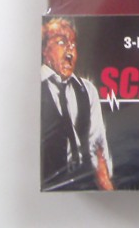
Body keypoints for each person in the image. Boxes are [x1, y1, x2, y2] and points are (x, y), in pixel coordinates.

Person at [41, 17, 114, 190]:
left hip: (86, 186)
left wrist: (107, 187)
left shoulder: (87, 90)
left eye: (73, 45)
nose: (70, 51)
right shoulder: (34, 88)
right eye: (61, 42)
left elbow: (98, 146)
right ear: (44, 50)